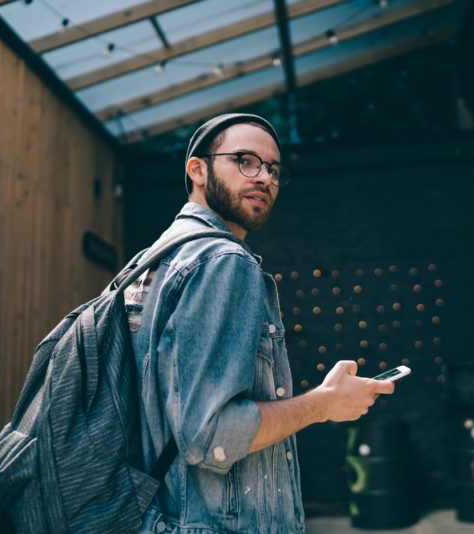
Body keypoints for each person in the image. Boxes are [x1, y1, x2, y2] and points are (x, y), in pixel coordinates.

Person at [126, 113, 395, 534]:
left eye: (272, 168)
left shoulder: (149, 262)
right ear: (197, 169)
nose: (264, 178)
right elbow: (209, 436)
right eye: (245, 161)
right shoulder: (221, 262)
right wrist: (324, 403)